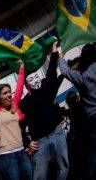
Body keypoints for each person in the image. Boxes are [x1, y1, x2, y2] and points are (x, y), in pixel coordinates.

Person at [20, 39, 69, 180]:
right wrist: (27, 142)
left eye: (37, 77)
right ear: (26, 86)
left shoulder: (46, 87)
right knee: (39, 175)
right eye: (31, 80)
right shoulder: (24, 104)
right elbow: (20, 126)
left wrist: (53, 48)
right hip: (39, 141)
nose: (36, 81)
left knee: (64, 166)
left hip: (57, 133)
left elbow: (52, 69)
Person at [0, 60, 32, 180]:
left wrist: (21, 66)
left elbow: (20, 86)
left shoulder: (14, 107)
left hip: (22, 153)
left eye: (10, 92)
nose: (9, 95)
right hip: (7, 158)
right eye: (5, 93)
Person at [58, 42, 96, 179]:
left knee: (92, 156)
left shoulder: (81, 75)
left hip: (92, 119)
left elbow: (66, 71)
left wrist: (60, 57)